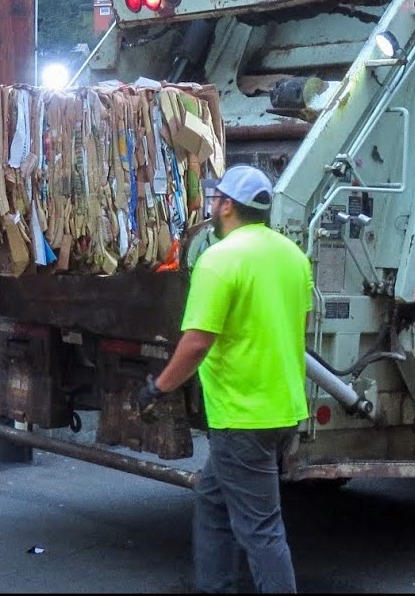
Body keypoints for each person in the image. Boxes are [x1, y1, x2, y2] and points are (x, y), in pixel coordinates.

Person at [136, 164, 312, 594]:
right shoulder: (293, 256)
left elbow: (197, 343)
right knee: (213, 500)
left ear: (228, 206)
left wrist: (159, 387)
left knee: (261, 530)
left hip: (242, 415)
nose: (212, 206)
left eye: (216, 199)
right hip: (282, 409)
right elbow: (298, 328)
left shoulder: (219, 259)